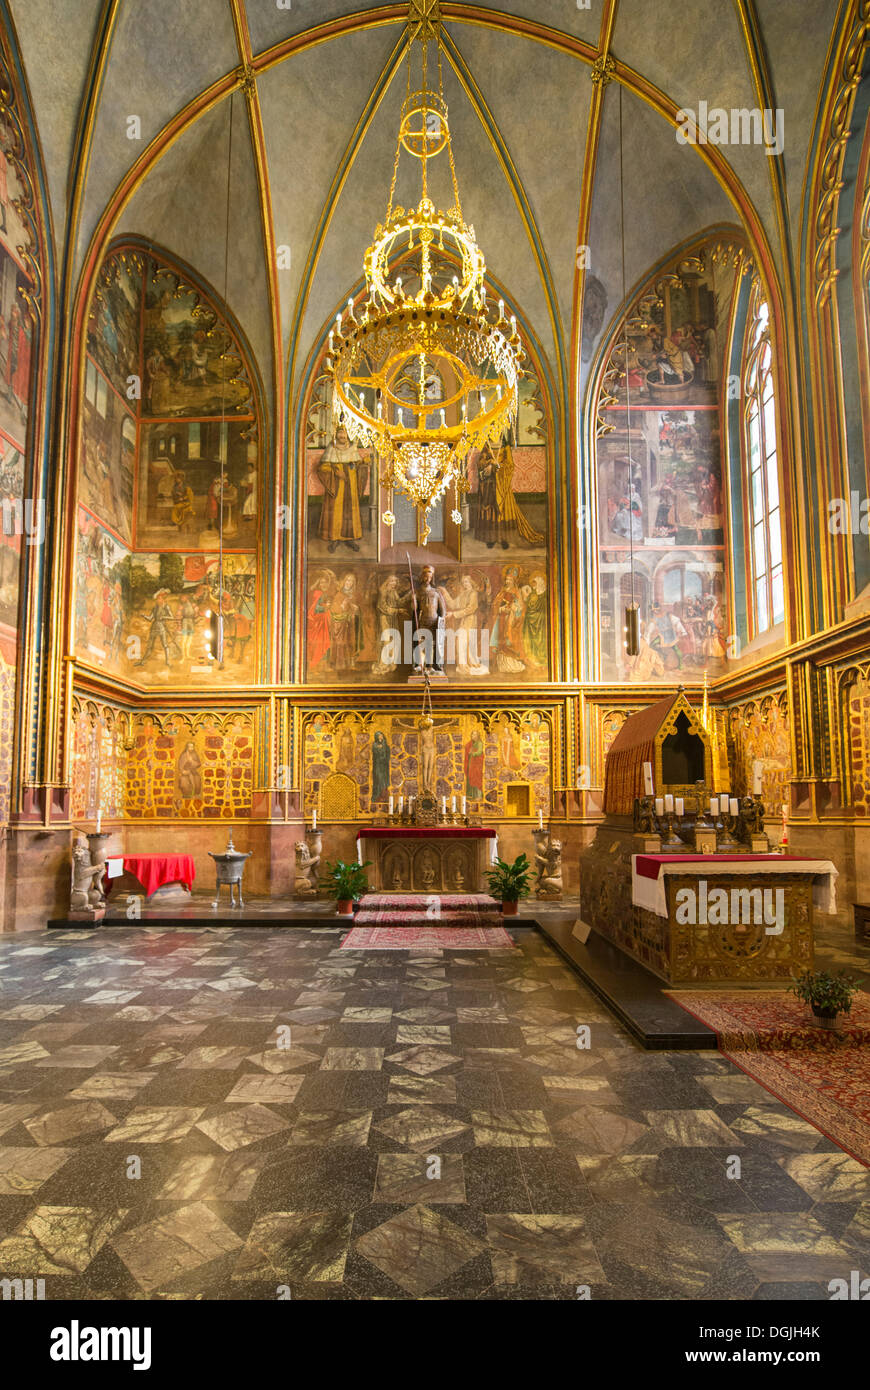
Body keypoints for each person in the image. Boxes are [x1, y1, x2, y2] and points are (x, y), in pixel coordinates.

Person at [316, 424, 369, 552]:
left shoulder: (352, 448)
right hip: (336, 484)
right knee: (336, 510)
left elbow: (356, 464)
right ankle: (334, 539)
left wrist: (363, 463)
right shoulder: (331, 448)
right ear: (336, 434)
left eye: (345, 433)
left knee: (351, 509)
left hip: (351, 483)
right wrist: (335, 472)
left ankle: (350, 538)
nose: (343, 436)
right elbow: (322, 468)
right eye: (340, 433)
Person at [415, 564, 446, 673]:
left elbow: (442, 611)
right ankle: (421, 666)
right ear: (422, 577)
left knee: (432, 645)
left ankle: (430, 666)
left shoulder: (436, 592)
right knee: (422, 644)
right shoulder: (417, 592)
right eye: (425, 576)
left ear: (432, 578)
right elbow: (414, 610)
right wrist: (413, 603)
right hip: (422, 621)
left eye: (430, 577)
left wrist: (441, 623)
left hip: (434, 623)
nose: (427, 579)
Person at [371, 730, 390, 802]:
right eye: (379, 735)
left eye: (381, 735)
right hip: (377, 765)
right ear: (377, 737)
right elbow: (375, 754)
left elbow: (387, 754)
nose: (381, 737)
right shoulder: (375, 745)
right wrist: (379, 748)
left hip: (384, 766)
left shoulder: (385, 745)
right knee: (378, 779)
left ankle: (383, 796)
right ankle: (377, 795)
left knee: (383, 780)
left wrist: (384, 748)